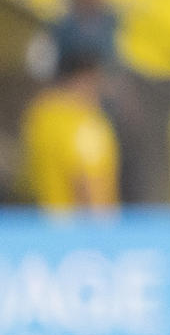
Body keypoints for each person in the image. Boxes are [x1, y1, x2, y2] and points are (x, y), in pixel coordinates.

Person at [20, 51, 117, 215]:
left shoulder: (40, 115)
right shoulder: (86, 123)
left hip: (40, 223)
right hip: (77, 230)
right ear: (86, 78)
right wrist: (104, 235)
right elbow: (89, 185)